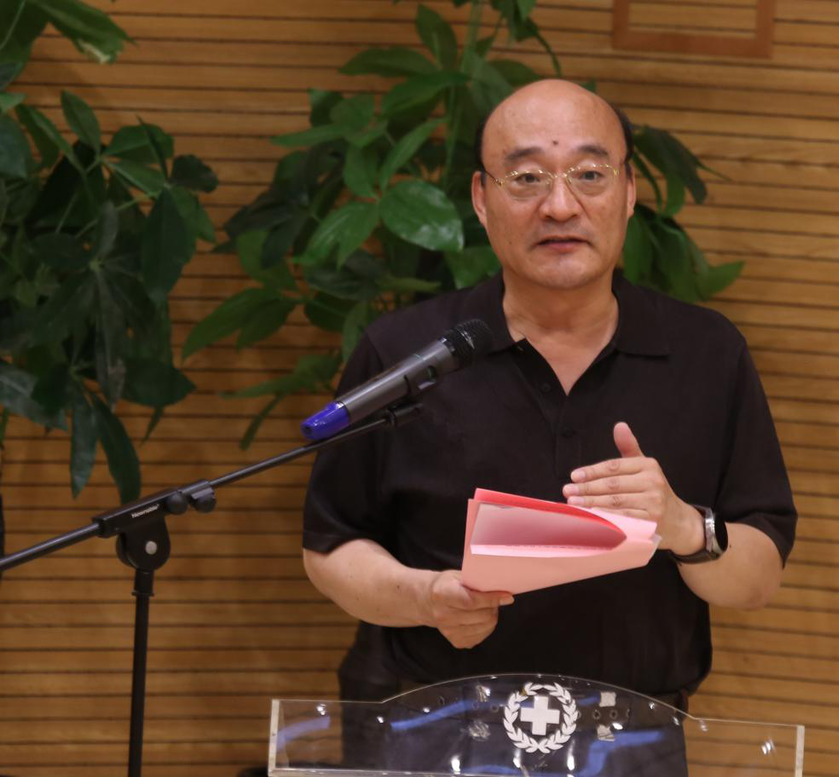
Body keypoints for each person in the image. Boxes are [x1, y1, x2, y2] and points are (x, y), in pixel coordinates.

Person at [302, 80, 797, 721]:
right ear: (481, 199)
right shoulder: (405, 354)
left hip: (634, 736)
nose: (560, 206)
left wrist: (682, 527)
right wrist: (425, 597)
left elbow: (758, 578)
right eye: (527, 178)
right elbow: (332, 545)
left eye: (589, 175)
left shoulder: (707, 353)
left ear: (628, 193)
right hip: (439, 727)